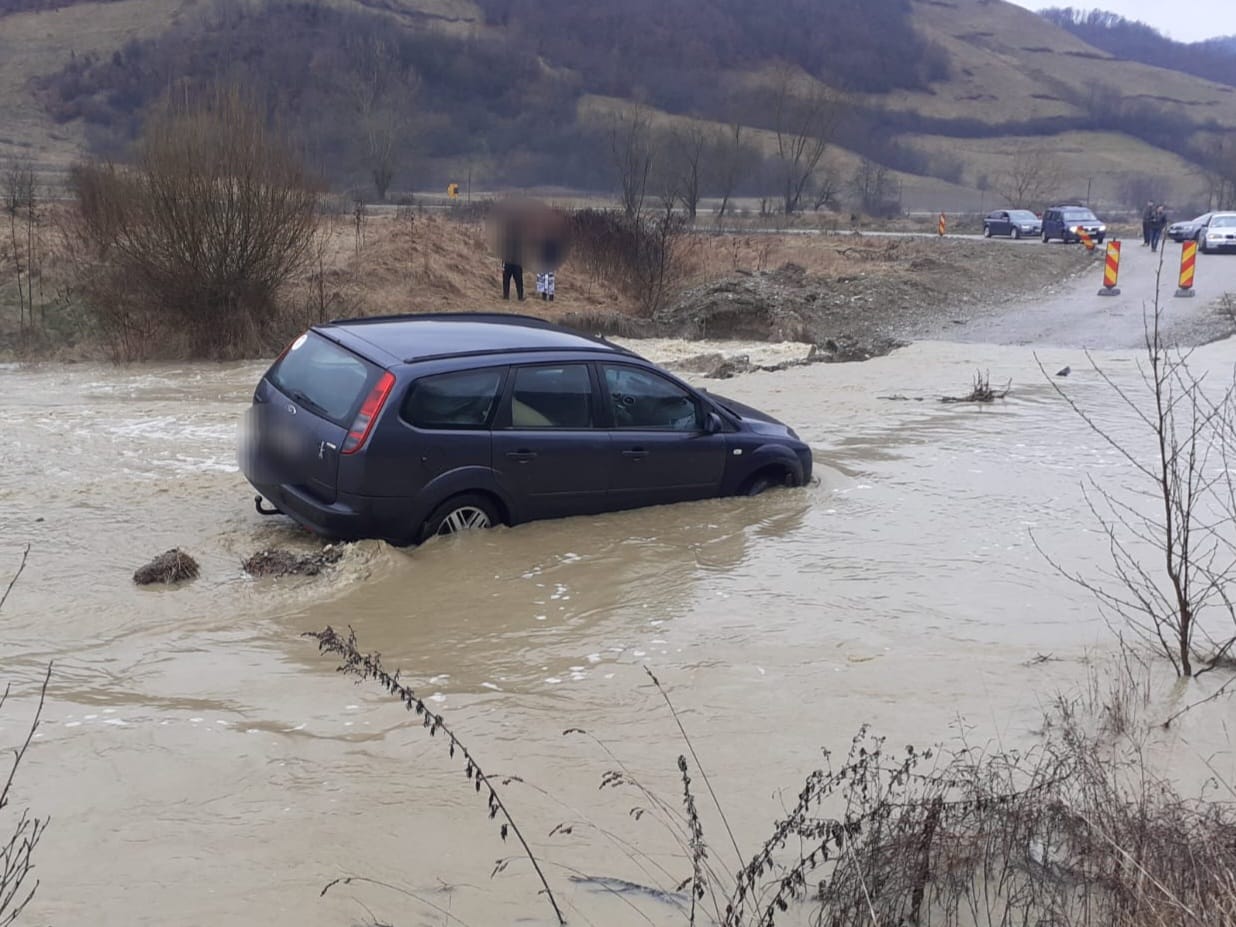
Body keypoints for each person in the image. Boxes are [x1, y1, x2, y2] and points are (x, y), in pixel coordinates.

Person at [501, 225, 524, 301]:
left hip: (517, 262)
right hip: (508, 262)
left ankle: (520, 297)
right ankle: (506, 296)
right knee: (506, 280)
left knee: (519, 280)